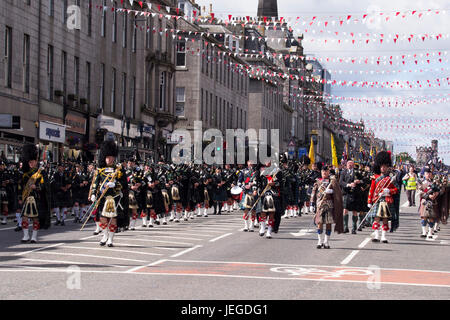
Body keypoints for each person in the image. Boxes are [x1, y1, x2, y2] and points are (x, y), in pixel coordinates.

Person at [89, 140, 128, 247]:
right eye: (107, 157)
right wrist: (93, 193)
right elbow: (95, 183)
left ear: (114, 158)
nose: (109, 159)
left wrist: (115, 184)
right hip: (102, 197)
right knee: (102, 218)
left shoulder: (119, 169)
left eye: (111, 157)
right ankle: (105, 235)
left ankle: (111, 239)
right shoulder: (100, 170)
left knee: (112, 218)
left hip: (114, 197)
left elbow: (124, 183)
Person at [19, 144, 51, 243]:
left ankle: (34, 237)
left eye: (32, 162)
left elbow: (46, 186)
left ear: (36, 161)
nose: (31, 164)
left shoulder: (41, 173)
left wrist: (36, 187)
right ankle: (25, 236)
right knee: (24, 217)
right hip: (27, 198)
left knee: (35, 219)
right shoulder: (25, 174)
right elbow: (21, 186)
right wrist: (20, 197)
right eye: (29, 162)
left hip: (37, 198)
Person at [367, 151, 398, 244]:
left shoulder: (390, 179)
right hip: (377, 200)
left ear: (387, 167)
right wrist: (369, 201)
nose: (383, 168)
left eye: (385, 167)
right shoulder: (375, 178)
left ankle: (384, 236)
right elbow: (371, 190)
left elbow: (396, 189)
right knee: (376, 218)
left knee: (385, 219)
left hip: (386, 200)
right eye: (381, 167)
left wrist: (389, 191)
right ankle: (376, 235)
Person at [310, 165, 344, 249]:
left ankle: (326, 242)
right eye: (323, 172)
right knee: (319, 223)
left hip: (329, 205)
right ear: (321, 172)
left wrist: (332, 191)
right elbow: (313, 193)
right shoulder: (317, 182)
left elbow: (338, 193)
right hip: (319, 205)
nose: (324, 173)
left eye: (326, 172)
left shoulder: (332, 182)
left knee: (328, 223)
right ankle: (319, 241)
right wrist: (311, 204)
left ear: (329, 172)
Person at [339, 160, 361, 234]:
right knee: (345, 210)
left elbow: (363, 180)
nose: (349, 165)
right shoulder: (343, 172)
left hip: (355, 194)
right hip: (346, 193)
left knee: (354, 211)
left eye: (351, 164)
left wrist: (359, 181)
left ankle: (354, 227)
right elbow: (341, 182)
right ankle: (345, 227)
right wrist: (348, 185)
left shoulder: (357, 172)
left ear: (353, 165)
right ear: (346, 165)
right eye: (348, 164)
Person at [417, 168, 439, 239]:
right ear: (424, 175)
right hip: (424, 201)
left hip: (432, 201)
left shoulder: (434, 183)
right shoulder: (421, 182)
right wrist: (428, 195)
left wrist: (435, 195)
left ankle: (429, 232)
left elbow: (438, 191)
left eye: (430, 173)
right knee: (424, 217)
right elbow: (420, 192)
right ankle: (424, 231)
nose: (429, 175)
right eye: (427, 173)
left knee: (431, 217)